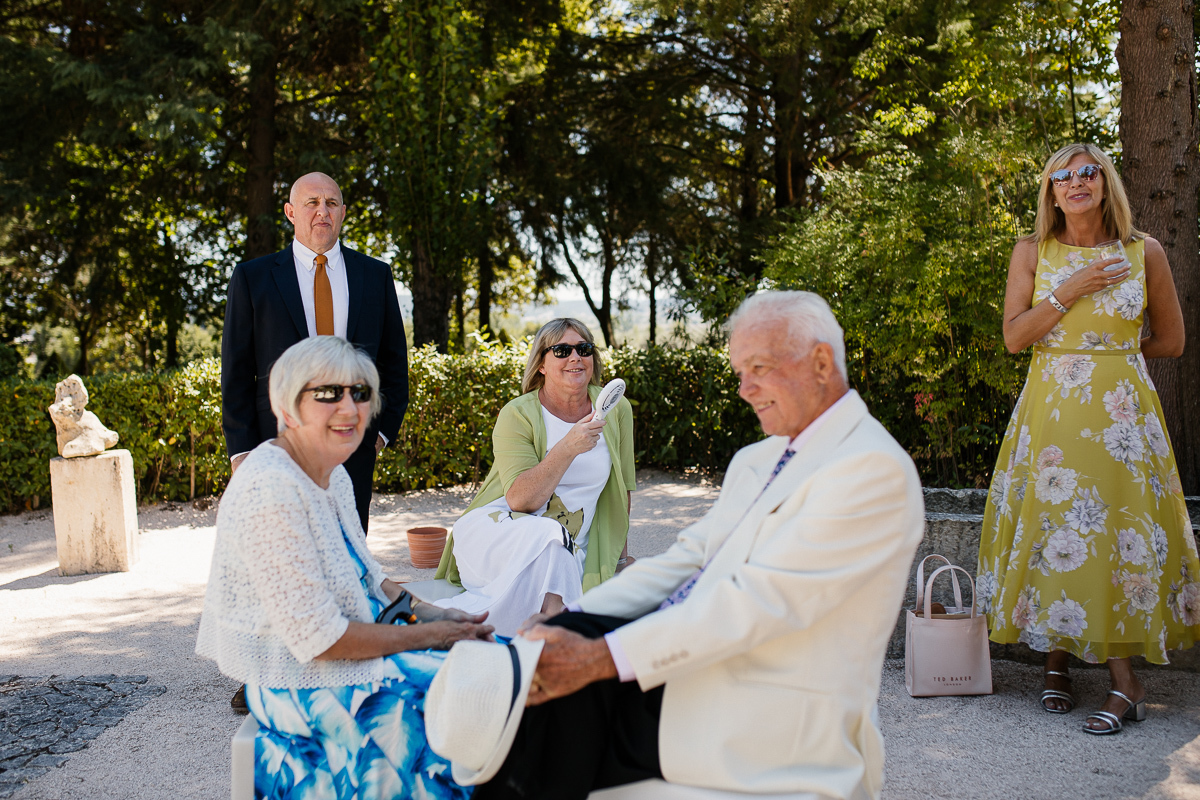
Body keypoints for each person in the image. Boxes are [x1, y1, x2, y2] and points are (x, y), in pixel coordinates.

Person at [471, 291, 925, 800]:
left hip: (763, 708)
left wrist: (600, 657)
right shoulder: (759, 458)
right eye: (739, 372)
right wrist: (572, 620)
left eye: (758, 368)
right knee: (529, 696)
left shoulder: (872, 470)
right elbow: (684, 561)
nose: (744, 389)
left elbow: (757, 604)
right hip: (688, 666)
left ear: (820, 362)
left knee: (543, 718)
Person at [197, 336, 493, 800]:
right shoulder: (270, 488)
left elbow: (368, 576)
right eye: (328, 393)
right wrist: (432, 636)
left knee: (501, 661)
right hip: (297, 684)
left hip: (342, 660)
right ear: (287, 405)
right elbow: (322, 640)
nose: (349, 407)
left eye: (360, 393)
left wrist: (440, 615)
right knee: (474, 698)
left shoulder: (331, 472)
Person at [976, 143, 1200, 735]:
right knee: (1056, 526)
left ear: (1106, 184)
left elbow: (1171, 341)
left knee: (1110, 534)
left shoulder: (1143, 251)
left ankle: (1126, 682)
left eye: (1088, 172)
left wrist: (1110, 361)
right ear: (1050, 192)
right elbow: (1016, 338)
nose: (1076, 182)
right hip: (1050, 417)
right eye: (1062, 176)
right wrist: (1068, 290)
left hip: (1122, 419)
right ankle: (1056, 662)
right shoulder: (1031, 251)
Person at [221, 171, 408, 534]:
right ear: (291, 212)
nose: (322, 211)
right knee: (283, 549)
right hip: (274, 441)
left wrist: (380, 434)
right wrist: (241, 450)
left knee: (349, 549)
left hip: (351, 438)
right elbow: (236, 370)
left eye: (331, 203)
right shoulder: (252, 278)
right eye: (312, 202)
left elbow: (394, 364)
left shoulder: (376, 275)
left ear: (342, 213)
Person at [433, 319, 636, 637]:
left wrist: (620, 562)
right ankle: (556, 634)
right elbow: (519, 500)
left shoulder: (616, 409)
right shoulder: (517, 414)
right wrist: (568, 447)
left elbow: (622, 490)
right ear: (541, 363)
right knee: (552, 536)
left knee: (557, 546)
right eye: (561, 350)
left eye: (583, 349)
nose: (575, 357)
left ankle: (540, 632)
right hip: (499, 533)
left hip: (569, 550)